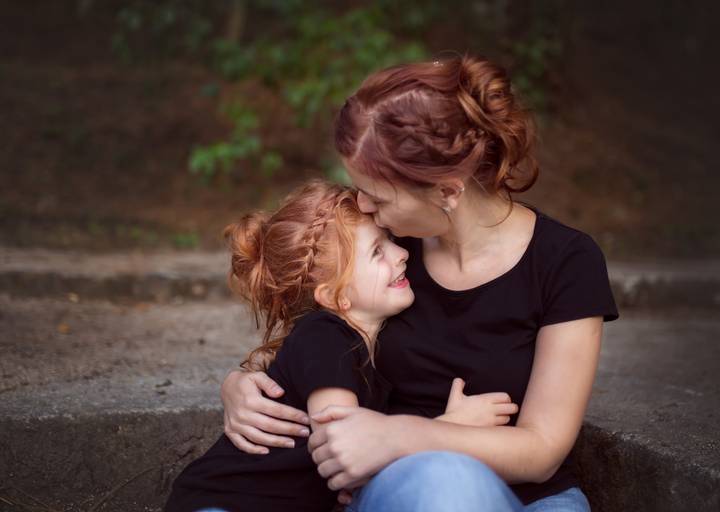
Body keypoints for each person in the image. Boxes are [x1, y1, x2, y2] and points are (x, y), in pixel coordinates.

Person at [220, 55, 619, 511]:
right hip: (405, 494)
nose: (362, 208)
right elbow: (316, 342)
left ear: (448, 190)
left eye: (377, 195)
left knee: (449, 480)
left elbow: (544, 449)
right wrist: (241, 385)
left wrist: (406, 436)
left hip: (533, 500)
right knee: (441, 487)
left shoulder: (566, 261)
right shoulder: (387, 250)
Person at [165, 180, 521, 512]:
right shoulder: (325, 336)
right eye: (377, 252)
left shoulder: (359, 349)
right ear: (335, 296)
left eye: (389, 241)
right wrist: (451, 427)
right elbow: (340, 447)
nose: (401, 254)